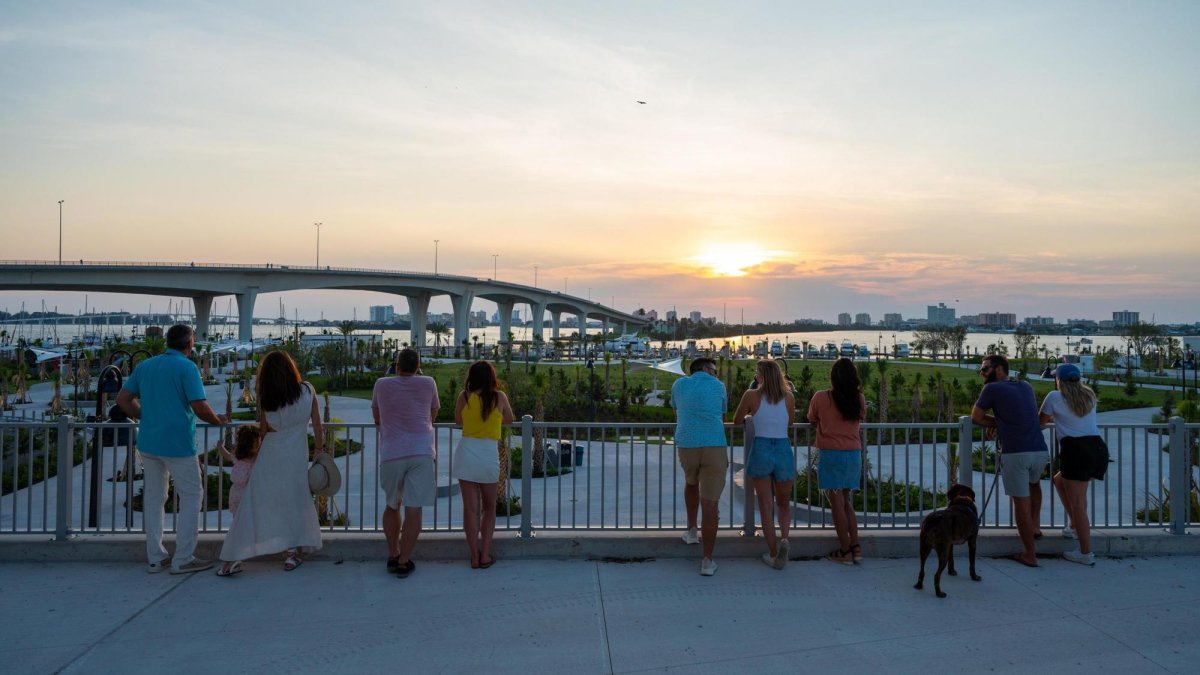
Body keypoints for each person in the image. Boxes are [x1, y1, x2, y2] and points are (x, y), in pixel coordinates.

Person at [116, 324, 228, 575]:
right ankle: (183, 558)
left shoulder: (146, 366)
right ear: (189, 344)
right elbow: (199, 407)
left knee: (154, 499)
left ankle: (155, 557)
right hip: (178, 444)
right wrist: (218, 420)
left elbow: (122, 399)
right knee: (191, 497)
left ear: (167, 342)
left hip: (149, 443)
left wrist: (145, 415)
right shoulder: (187, 367)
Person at [216, 351, 325, 577]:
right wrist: (319, 450)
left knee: (255, 504)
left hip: (270, 455)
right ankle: (291, 553)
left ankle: (233, 557)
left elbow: (263, 432)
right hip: (295, 456)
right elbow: (317, 425)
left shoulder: (268, 398)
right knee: (293, 502)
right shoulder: (307, 390)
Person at [972, 354, 1049, 568]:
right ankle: (1035, 527)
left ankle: (1030, 554)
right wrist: (1002, 422)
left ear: (999, 369)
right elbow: (1024, 415)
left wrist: (997, 423)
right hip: (1040, 450)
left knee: (1020, 503)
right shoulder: (1025, 385)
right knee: (1035, 486)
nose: (982, 373)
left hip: (1016, 453)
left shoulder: (992, 389)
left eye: (985, 369)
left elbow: (976, 417)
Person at [372, 348, 440, 578]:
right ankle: (404, 560)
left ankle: (393, 553)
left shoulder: (381, 384)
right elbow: (433, 413)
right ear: (418, 366)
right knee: (414, 509)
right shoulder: (428, 382)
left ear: (397, 366)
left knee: (392, 505)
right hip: (421, 452)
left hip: (391, 452)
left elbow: (376, 416)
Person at [1039, 363, 1109, 566]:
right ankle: (1072, 526)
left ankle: (1085, 553)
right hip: (1096, 449)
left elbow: (1040, 421)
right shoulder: (1089, 395)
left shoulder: (1054, 396)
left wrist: (1052, 418)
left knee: (1079, 505)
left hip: (1075, 450)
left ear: (1058, 380)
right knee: (1059, 480)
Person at [732, 359, 796, 570]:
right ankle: (785, 538)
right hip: (783, 448)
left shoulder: (752, 395)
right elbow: (790, 423)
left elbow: (736, 419)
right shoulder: (788, 397)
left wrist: (752, 414)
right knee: (784, 503)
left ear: (760, 376)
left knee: (766, 507)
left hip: (761, 448)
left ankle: (773, 552)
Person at [452, 361, 514, 569]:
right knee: (489, 508)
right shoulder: (499, 397)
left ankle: (473, 556)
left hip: (466, 452)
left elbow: (458, 420)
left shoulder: (464, 397)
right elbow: (510, 419)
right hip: (488, 455)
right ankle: (485, 554)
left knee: (470, 509)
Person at [671, 357, 728, 576]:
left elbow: (676, 413)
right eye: (715, 370)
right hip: (714, 444)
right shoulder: (719, 386)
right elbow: (722, 416)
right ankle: (707, 560)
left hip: (687, 443)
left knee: (691, 483)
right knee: (711, 504)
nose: (716, 374)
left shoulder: (678, 384)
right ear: (706, 369)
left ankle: (692, 530)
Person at [807, 357, 866, 565]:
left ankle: (845, 551)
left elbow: (812, 418)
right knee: (845, 501)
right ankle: (856, 546)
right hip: (853, 454)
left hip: (831, 454)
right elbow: (861, 417)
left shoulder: (821, 397)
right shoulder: (858, 398)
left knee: (836, 504)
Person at [216, 424, 260, 516]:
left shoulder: (238, 457)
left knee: (236, 520)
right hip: (249, 495)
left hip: (235, 494)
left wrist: (220, 447)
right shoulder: (256, 459)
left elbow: (227, 456)